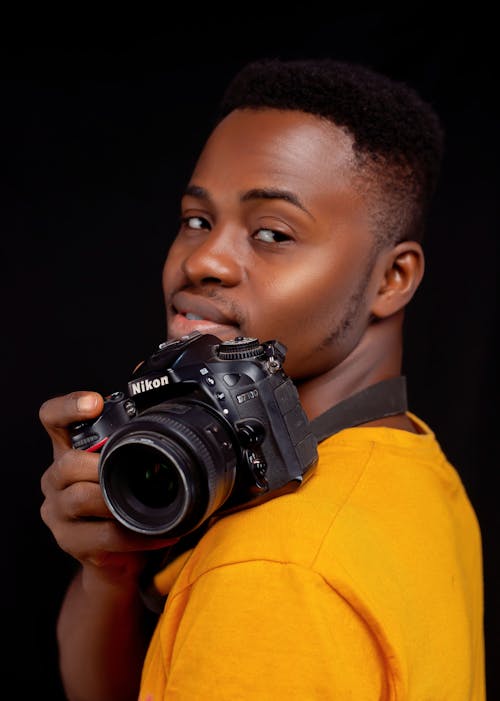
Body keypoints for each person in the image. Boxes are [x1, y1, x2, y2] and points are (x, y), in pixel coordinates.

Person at [39, 58, 485, 700]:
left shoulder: (273, 568)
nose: (204, 260)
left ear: (394, 279)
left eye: (272, 233)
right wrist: (109, 569)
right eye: (196, 220)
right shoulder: (408, 460)